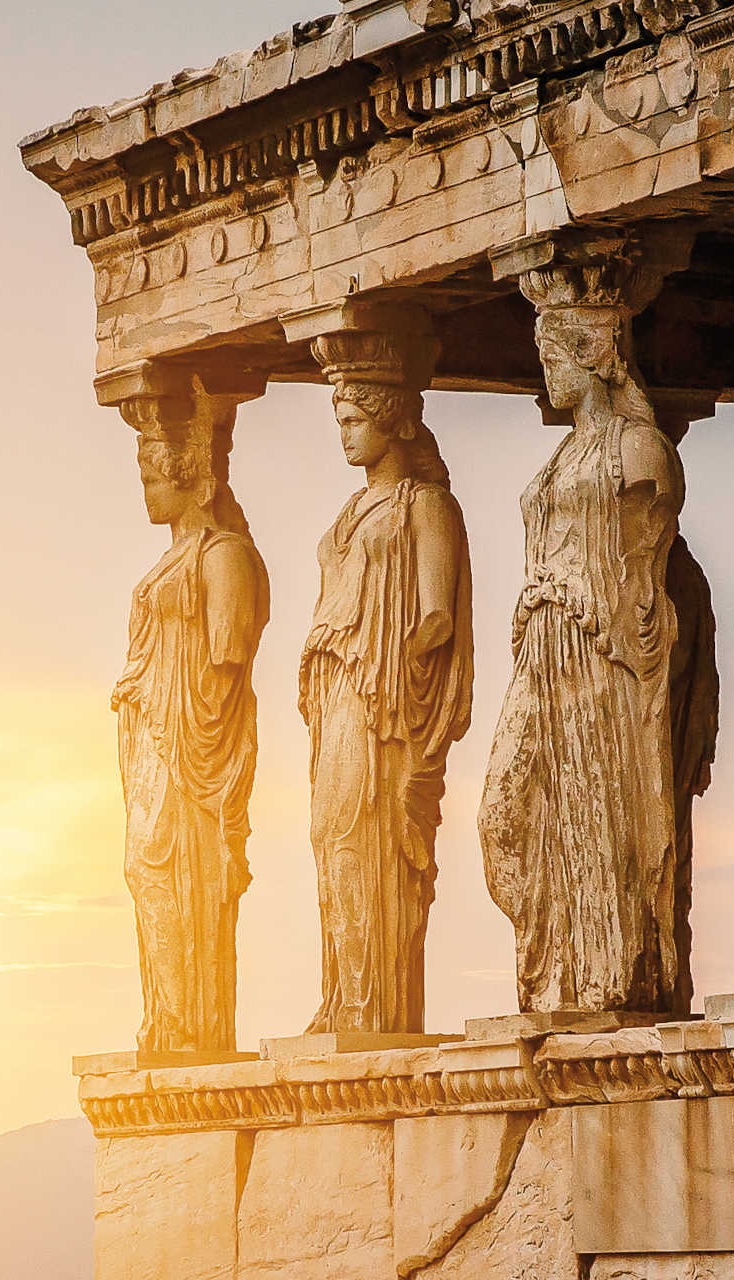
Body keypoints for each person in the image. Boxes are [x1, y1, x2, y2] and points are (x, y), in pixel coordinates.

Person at [481, 266, 687, 1014]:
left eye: (558, 358)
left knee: (595, 807)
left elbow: (645, 574)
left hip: (599, 653)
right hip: (540, 651)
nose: (547, 373)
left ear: (596, 356)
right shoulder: (561, 459)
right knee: (505, 819)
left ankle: (608, 973)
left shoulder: (638, 453)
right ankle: (552, 971)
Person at [302, 357, 473, 1034]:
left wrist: (389, 659)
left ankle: (375, 1008)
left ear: (392, 419)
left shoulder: (427, 506)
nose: (344, 434)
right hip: (336, 691)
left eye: (354, 420)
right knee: (329, 837)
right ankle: (343, 995)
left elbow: (438, 615)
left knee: (363, 837)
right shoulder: (351, 509)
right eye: (339, 421)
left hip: (382, 698)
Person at [112, 387, 270, 1052]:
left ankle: (194, 1027)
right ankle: (169, 1020)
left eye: (154, 475)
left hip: (192, 756)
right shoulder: (175, 559)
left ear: (188, 474)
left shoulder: (223, 555)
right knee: (145, 873)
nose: (145, 489)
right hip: (154, 750)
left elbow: (226, 663)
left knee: (179, 875)